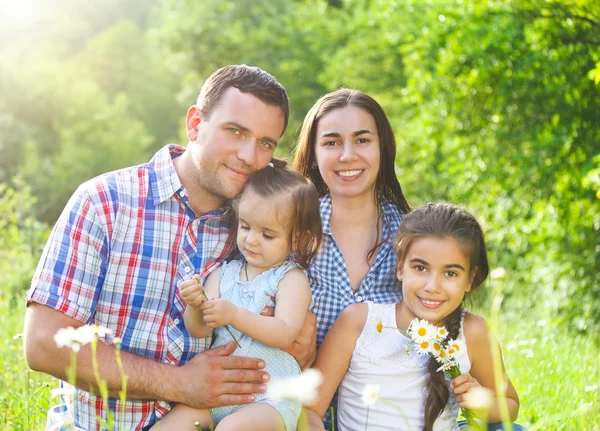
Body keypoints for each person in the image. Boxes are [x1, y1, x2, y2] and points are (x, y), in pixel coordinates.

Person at [23, 65, 315, 430]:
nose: (249, 156)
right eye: (235, 131)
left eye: (265, 143)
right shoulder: (105, 203)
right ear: (195, 124)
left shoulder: (258, 227)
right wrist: (179, 383)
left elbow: (294, 322)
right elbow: (43, 345)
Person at [305, 202, 521, 431]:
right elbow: (310, 410)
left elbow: (510, 403)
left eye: (450, 273)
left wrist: (484, 404)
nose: (432, 286)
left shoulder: (473, 332)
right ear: (400, 267)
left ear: (469, 279)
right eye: (420, 268)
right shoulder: (359, 322)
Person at [151, 161, 322, 430]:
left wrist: (233, 314)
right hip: (216, 395)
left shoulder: (291, 278)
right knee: (171, 426)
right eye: (245, 226)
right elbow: (198, 330)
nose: (252, 240)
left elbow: (284, 333)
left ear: (298, 239)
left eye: (267, 234)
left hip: (270, 397)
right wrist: (196, 305)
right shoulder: (225, 272)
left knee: (230, 429)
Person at [293, 88, 411, 350]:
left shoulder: (414, 237)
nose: (347, 155)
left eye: (362, 140)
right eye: (331, 142)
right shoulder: (289, 233)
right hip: (302, 389)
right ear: (313, 155)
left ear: (382, 148)